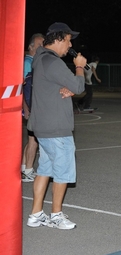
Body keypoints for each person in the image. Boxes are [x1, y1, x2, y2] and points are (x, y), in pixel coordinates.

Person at [26, 22, 86, 230]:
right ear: (60, 38)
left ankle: (36, 214)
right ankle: (56, 215)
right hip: (56, 127)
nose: (70, 46)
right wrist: (79, 65)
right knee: (62, 171)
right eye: (69, 40)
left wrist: (67, 89)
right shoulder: (53, 62)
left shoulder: (40, 60)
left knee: (45, 169)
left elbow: (58, 87)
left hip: (43, 127)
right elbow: (79, 85)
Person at [21, 33, 44, 182]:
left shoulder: (31, 62)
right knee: (33, 139)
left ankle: (25, 167)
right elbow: (23, 87)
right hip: (30, 106)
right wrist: (27, 108)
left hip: (29, 106)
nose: (42, 47)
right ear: (31, 47)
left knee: (31, 139)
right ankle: (28, 170)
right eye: (39, 45)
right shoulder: (29, 63)